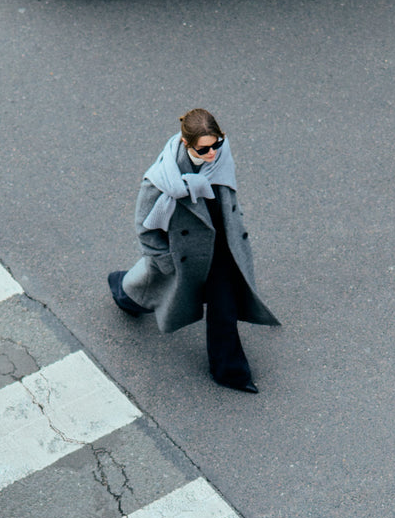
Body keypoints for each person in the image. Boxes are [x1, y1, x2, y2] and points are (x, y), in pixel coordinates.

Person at [108, 108, 279, 393]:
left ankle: (230, 372)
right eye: (205, 148)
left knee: (224, 307)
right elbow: (145, 227)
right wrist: (164, 262)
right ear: (187, 145)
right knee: (143, 288)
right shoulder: (160, 180)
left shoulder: (221, 156)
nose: (213, 153)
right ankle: (123, 292)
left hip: (222, 248)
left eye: (217, 144)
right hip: (185, 255)